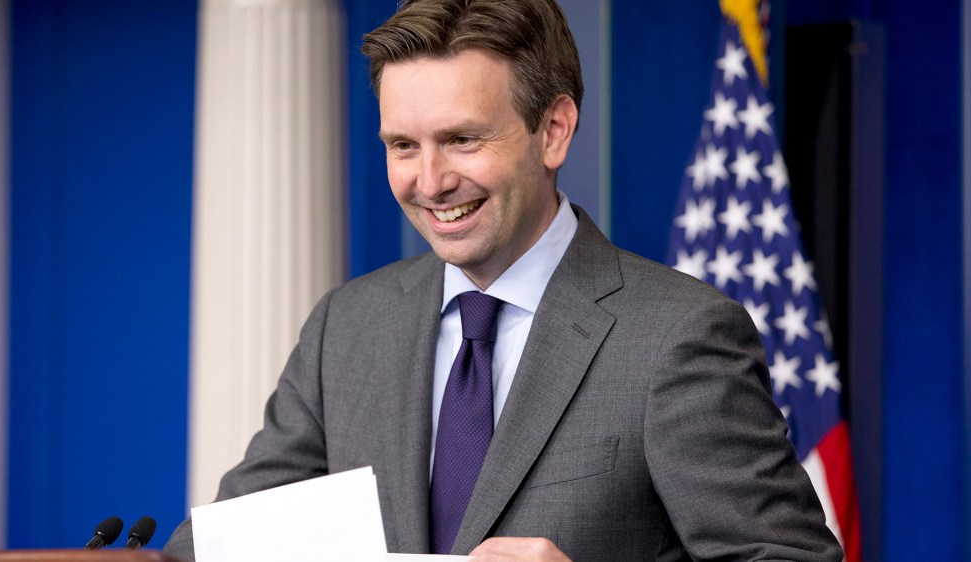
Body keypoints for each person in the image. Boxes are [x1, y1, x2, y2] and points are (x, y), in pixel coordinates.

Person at [164, 0, 843, 560]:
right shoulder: (346, 327)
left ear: (553, 131)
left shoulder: (679, 335)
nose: (429, 183)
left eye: (462, 139)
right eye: (403, 145)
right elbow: (225, 545)